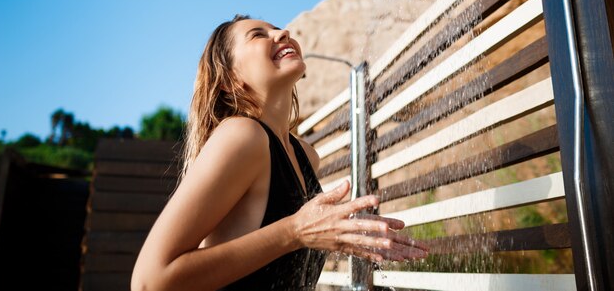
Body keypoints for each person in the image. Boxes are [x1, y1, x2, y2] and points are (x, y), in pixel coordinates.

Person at [131, 15, 428, 291]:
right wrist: (295, 231)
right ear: (230, 81)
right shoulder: (242, 136)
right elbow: (150, 280)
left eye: (277, 29)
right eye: (258, 35)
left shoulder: (306, 156)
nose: (282, 33)